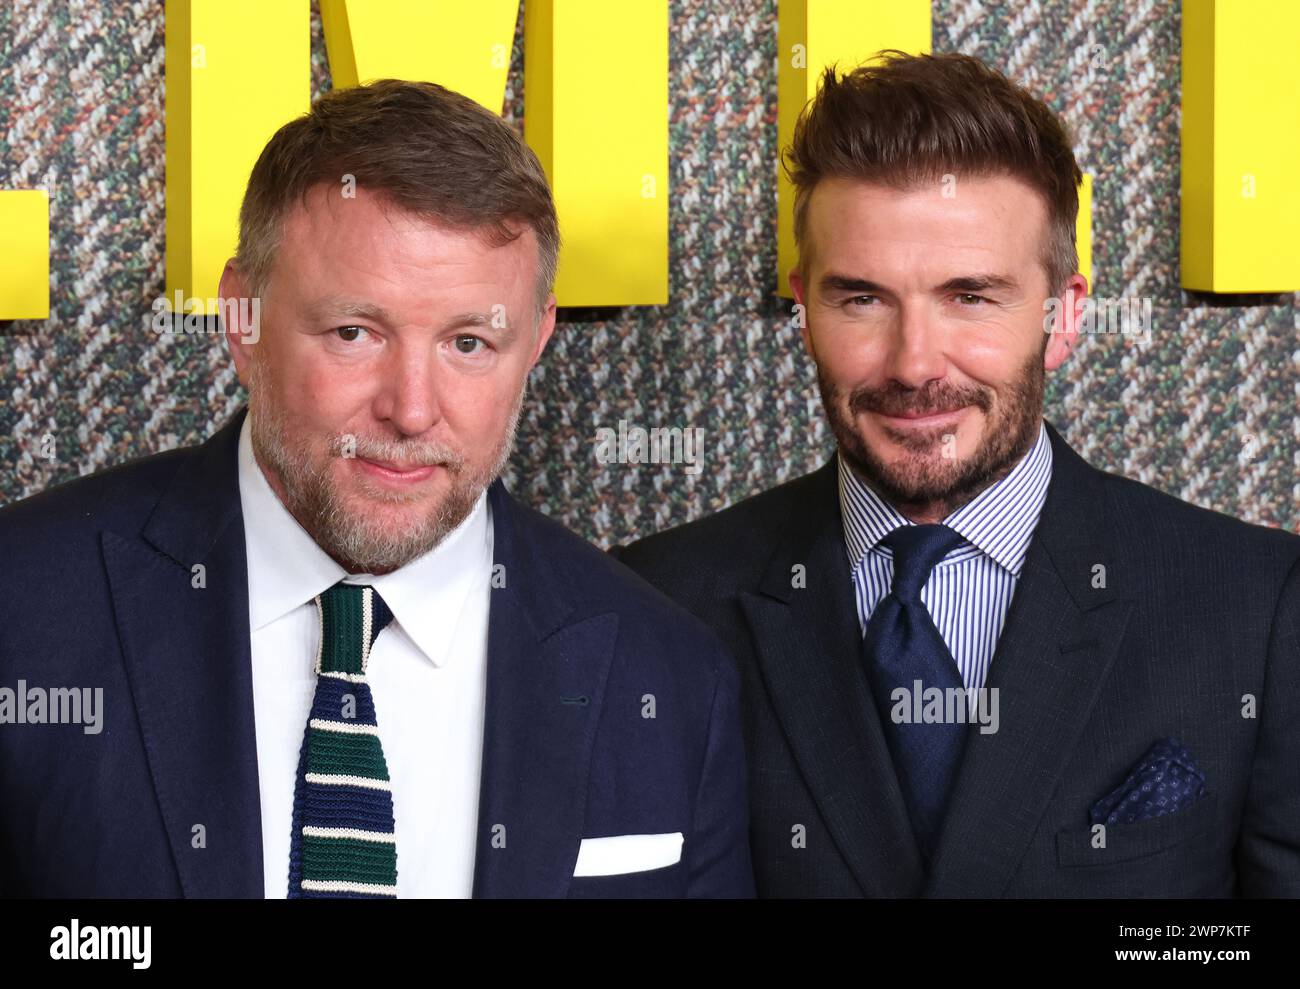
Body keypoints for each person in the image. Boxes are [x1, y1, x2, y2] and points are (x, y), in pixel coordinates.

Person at [0, 80, 752, 899]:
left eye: (468, 342)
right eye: (355, 333)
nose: (411, 408)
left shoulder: (670, 678)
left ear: (534, 342)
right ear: (242, 321)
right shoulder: (25, 609)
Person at [619, 52, 1300, 897]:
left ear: (1064, 316)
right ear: (803, 309)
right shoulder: (653, 609)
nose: (915, 364)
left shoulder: (1254, 605)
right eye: (861, 298)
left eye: (970, 297)